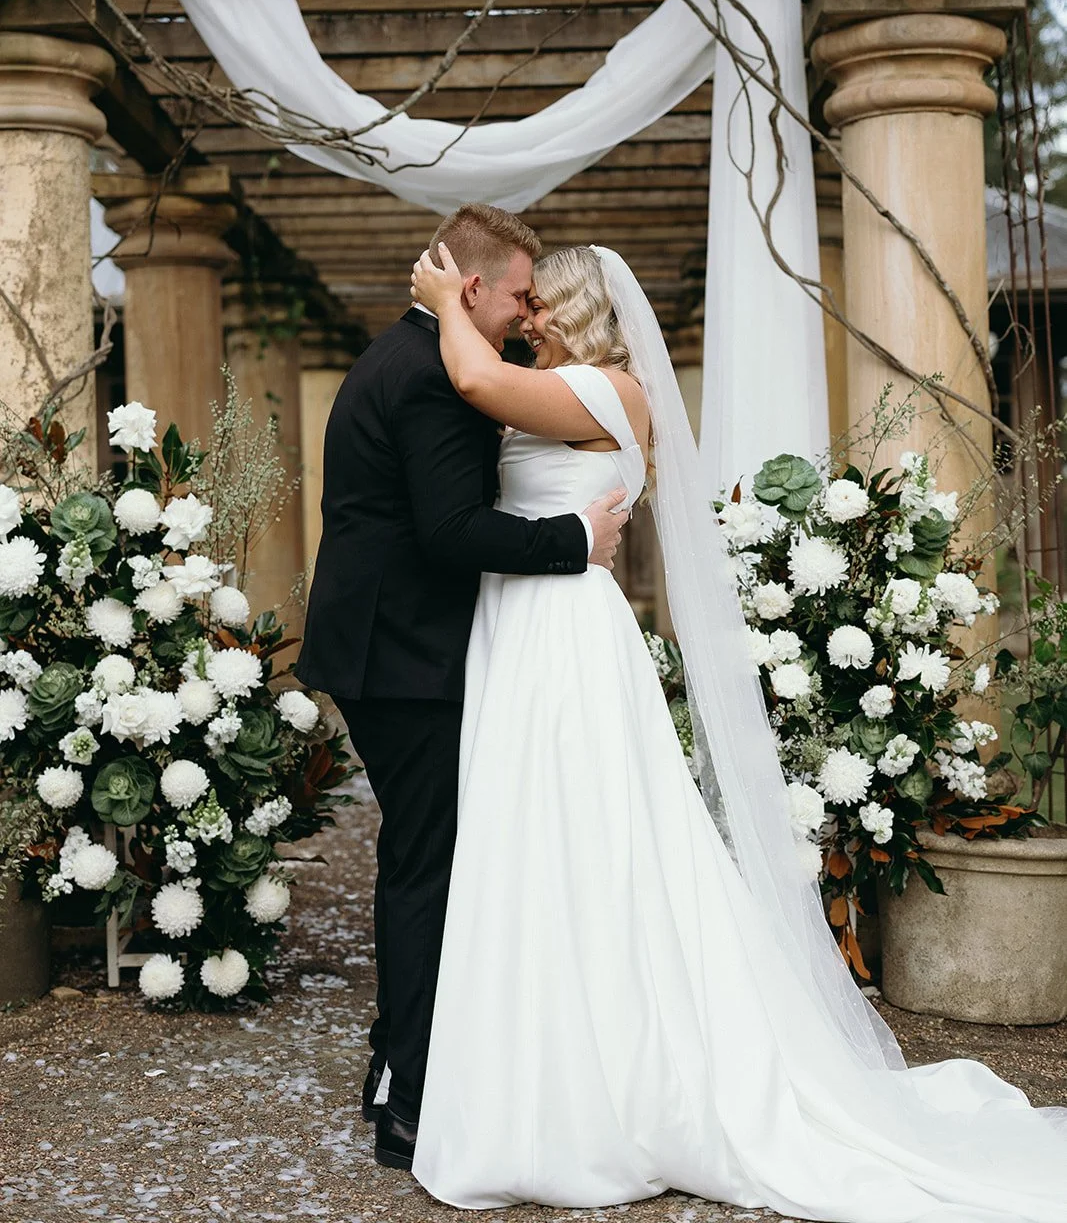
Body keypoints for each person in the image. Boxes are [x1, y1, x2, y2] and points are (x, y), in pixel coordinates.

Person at [406, 239, 1067, 1220]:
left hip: (559, 635)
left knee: (583, 841)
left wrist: (434, 298)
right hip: (525, 622)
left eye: (543, 303)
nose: (530, 315)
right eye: (527, 304)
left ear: (586, 311)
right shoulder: (572, 383)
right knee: (536, 843)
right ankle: (543, 1063)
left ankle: (605, 1085)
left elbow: (468, 372)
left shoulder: (609, 391)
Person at [294, 204, 629, 1171]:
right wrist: (573, 542)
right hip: (405, 656)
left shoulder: (400, 356)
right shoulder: (438, 379)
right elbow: (451, 532)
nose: (528, 314)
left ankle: (392, 1064)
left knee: (427, 857)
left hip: (390, 646)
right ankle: (408, 1093)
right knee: (427, 867)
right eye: (519, 293)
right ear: (470, 287)